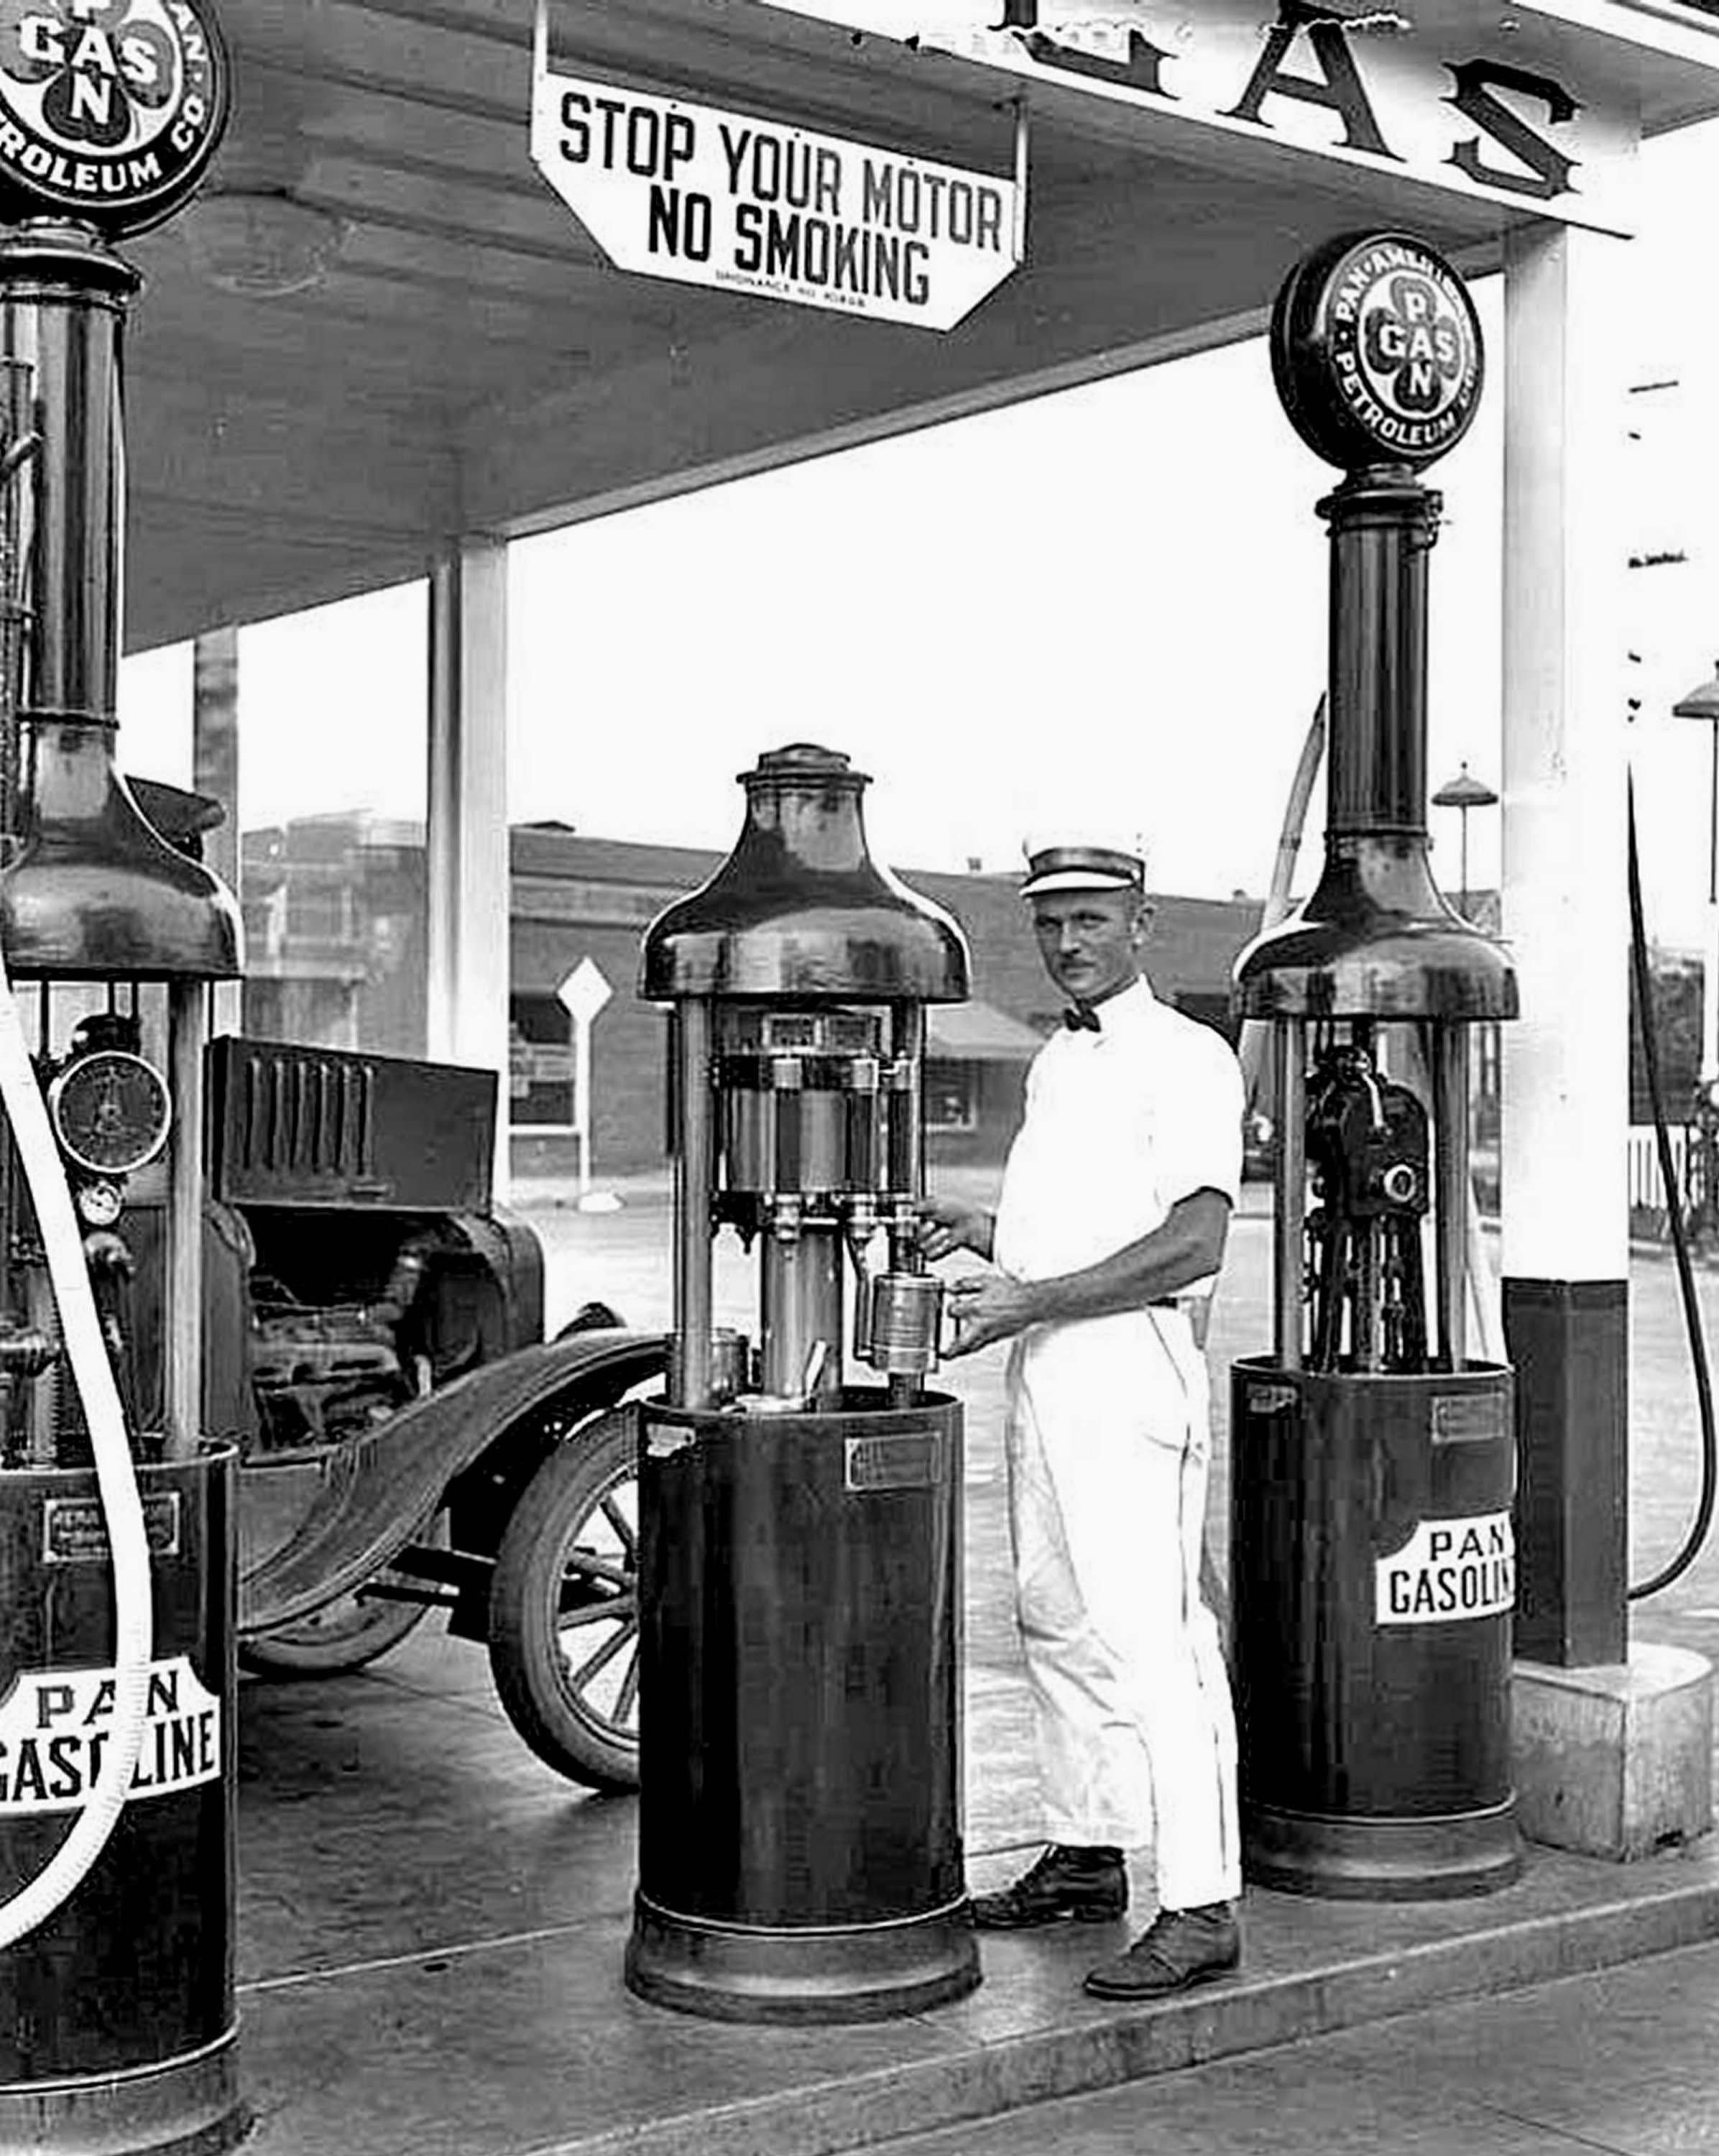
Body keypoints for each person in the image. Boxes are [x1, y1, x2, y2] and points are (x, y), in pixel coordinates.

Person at [920, 831, 1245, 2000]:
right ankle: (1086, 1852)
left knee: (1154, 1640)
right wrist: (981, 1232)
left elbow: (1192, 1242)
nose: (1068, 943)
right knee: (1054, 1618)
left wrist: (1033, 1299)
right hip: (1044, 1358)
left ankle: (1201, 1903)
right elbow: (1076, 1233)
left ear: (1141, 924)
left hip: (1125, 1370)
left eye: (1092, 920)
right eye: (1051, 923)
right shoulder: (1060, 1065)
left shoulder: (1190, 1058)